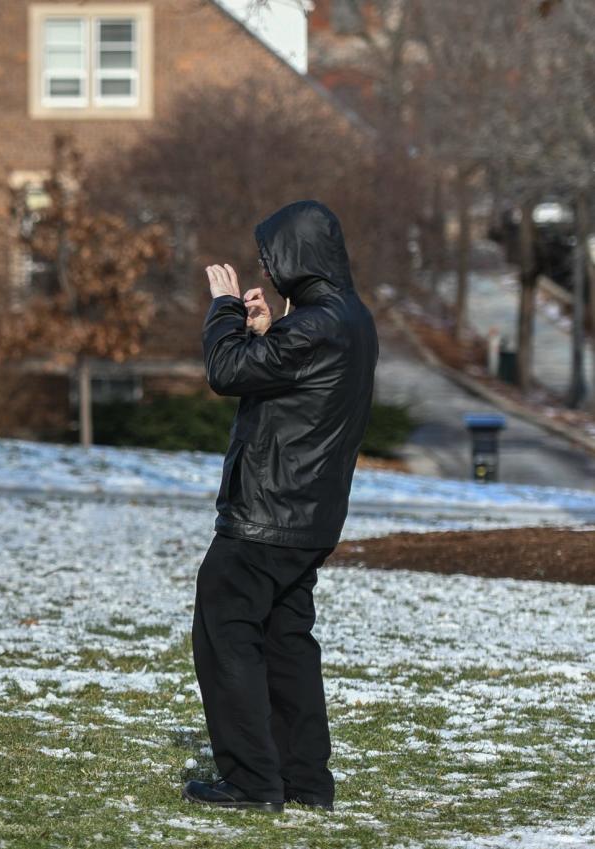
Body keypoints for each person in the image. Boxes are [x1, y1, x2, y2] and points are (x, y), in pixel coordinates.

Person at [183, 200, 378, 813]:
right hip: (309, 518)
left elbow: (226, 369)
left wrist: (222, 309)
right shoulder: (349, 319)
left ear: (297, 257)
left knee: (226, 631)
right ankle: (305, 782)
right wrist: (264, 330)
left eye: (273, 259)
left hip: (267, 516)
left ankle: (249, 781)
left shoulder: (317, 325)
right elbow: (291, 378)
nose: (266, 272)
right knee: (287, 638)